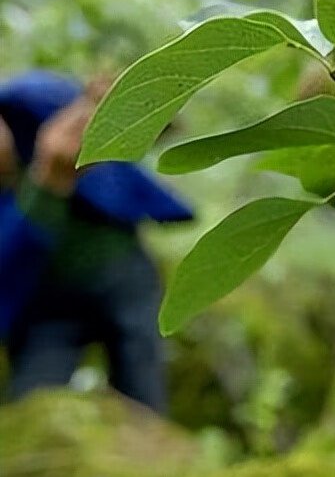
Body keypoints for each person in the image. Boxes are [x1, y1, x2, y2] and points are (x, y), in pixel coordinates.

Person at [0, 71, 193, 413]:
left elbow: (109, 113)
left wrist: (116, 106)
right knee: (33, 407)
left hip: (121, 273)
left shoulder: (30, 100)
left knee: (142, 391)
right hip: (43, 305)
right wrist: (48, 183)